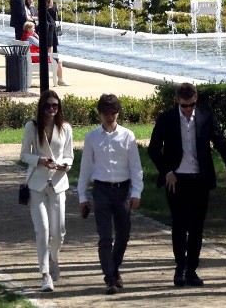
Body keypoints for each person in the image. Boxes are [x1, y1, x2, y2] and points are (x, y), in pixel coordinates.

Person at [148, 82, 226, 287]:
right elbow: (154, 149)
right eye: (183, 106)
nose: (187, 110)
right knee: (179, 225)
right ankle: (180, 268)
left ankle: (192, 270)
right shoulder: (167, 118)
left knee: (197, 227)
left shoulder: (206, 116)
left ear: (196, 99)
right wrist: (167, 171)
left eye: (190, 105)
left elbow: (221, 142)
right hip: (176, 180)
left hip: (200, 179)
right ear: (177, 102)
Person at [77, 94, 144, 295]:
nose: (110, 117)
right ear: (100, 114)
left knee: (123, 235)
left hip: (122, 190)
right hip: (101, 190)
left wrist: (136, 191)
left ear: (118, 113)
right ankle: (110, 278)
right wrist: (82, 196)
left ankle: (114, 268)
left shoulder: (127, 136)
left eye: (113, 113)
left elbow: (136, 167)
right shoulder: (92, 138)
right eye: (106, 113)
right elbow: (85, 169)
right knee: (105, 237)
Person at [20, 90, 74, 293]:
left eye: (55, 105)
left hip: (58, 183)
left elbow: (69, 155)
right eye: (48, 105)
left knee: (58, 231)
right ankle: (45, 274)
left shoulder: (65, 128)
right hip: (37, 184)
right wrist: (39, 160)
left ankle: (53, 257)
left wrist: (65, 165)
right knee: (42, 230)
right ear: (41, 107)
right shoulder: (32, 127)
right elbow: (24, 154)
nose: (52, 109)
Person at [21, 22, 68, 86]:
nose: (34, 30)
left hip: (32, 58)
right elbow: (43, 45)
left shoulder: (24, 37)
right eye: (33, 28)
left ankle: (60, 80)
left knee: (56, 59)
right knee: (59, 61)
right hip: (38, 58)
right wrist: (37, 37)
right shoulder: (31, 38)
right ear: (29, 29)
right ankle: (60, 80)